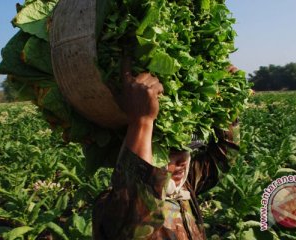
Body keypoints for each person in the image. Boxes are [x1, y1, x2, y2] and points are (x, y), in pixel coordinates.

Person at [92, 71, 239, 239]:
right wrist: (142, 122)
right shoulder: (113, 206)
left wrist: (229, 98)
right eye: (169, 153)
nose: (183, 161)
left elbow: (224, 156)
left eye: (186, 151)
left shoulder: (184, 188)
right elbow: (137, 212)